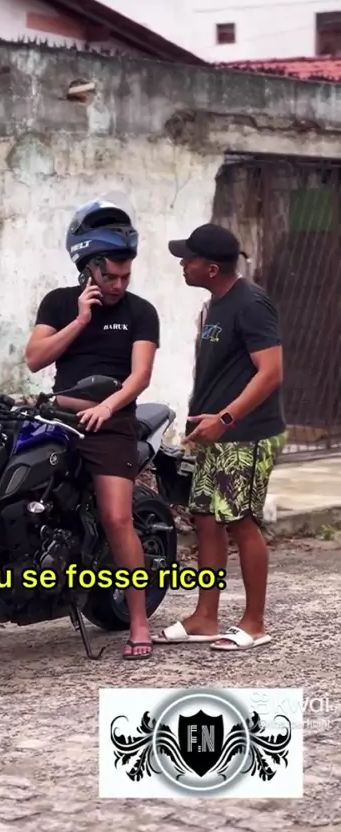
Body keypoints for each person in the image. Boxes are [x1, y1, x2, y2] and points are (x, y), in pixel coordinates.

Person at [0, 197, 160, 660]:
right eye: (110, 276)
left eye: (125, 276)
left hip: (112, 423)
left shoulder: (141, 312)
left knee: (117, 517)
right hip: (56, 418)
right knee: (4, 498)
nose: (119, 284)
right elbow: (36, 358)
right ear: (88, 268)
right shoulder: (59, 303)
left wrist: (109, 407)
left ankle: (139, 619)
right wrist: (80, 320)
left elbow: (140, 376)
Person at [153, 223, 287, 652]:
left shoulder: (251, 304)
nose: (182, 263)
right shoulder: (214, 305)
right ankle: (205, 617)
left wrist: (225, 419)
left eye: (188, 258)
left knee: (240, 520)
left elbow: (271, 373)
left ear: (211, 268)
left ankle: (254, 623)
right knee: (207, 519)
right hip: (214, 435)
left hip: (245, 434)